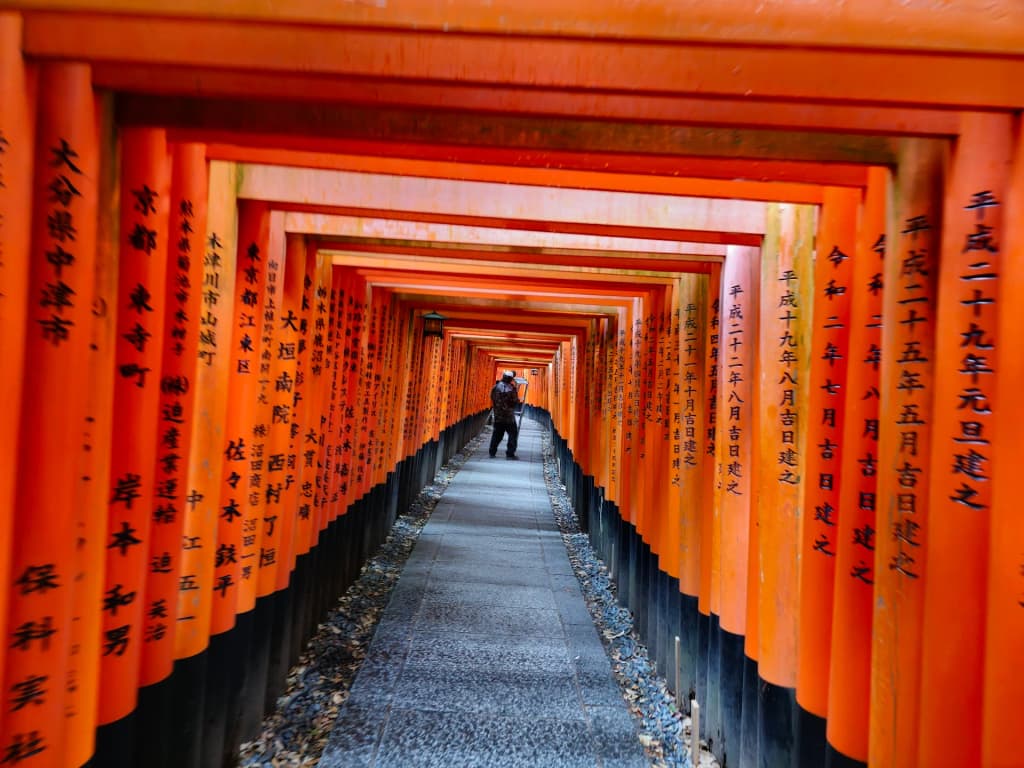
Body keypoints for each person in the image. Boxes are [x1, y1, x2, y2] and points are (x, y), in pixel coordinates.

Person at [489, 370, 521, 459]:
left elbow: (492, 397)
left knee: (497, 434)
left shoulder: (496, 387)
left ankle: (492, 452)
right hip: (509, 416)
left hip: (498, 415)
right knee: (512, 434)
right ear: (511, 379)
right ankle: (510, 454)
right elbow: (515, 401)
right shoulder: (511, 388)